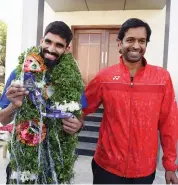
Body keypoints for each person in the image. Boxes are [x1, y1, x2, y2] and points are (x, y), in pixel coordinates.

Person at [82, 18, 178, 184]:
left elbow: (169, 122)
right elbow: (81, 106)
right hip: (107, 167)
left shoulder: (161, 78)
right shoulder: (104, 77)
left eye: (142, 41)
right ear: (119, 43)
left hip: (144, 170)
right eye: (130, 40)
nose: (136, 46)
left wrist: (170, 165)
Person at [0, 21, 84, 183]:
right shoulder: (19, 74)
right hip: (24, 159)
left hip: (57, 161)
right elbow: (3, 119)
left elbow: (80, 117)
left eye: (59, 45)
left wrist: (78, 125)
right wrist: (13, 106)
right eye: (48, 42)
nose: (51, 49)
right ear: (41, 40)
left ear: (67, 49)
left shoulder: (73, 80)